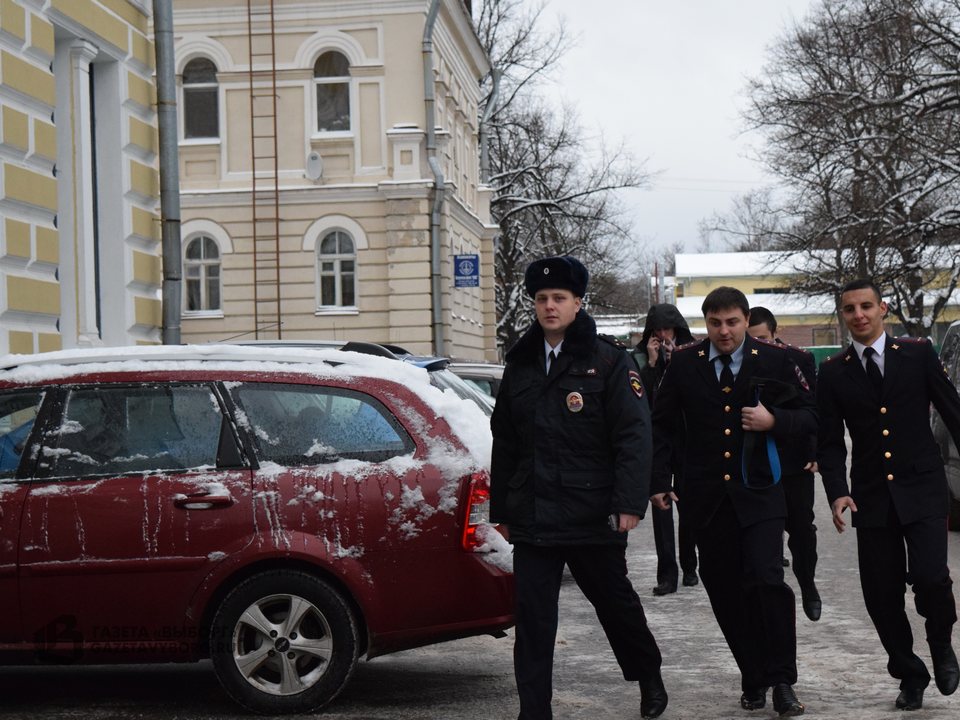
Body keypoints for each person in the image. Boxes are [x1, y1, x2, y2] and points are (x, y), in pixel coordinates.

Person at [490, 256, 668, 720]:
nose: (550, 306)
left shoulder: (608, 361)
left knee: (616, 606)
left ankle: (648, 674)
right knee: (533, 622)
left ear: (577, 303)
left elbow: (634, 435)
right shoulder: (521, 365)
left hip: (593, 513)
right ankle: (534, 711)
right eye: (542, 299)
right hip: (533, 516)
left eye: (559, 298)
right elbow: (505, 441)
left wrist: (629, 502)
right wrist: (502, 511)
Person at [650, 286, 814, 716]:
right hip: (705, 498)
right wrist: (659, 481)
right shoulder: (685, 363)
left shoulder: (777, 360)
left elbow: (811, 417)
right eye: (716, 323)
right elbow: (662, 426)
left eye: (733, 322)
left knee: (766, 580)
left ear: (746, 320)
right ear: (706, 323)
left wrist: (774, 420)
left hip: (760, 492)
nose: (724, 331)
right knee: (724, 590)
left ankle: (782, 680)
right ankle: (752, 675)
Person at [817, 278, 960, 711]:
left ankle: (940, 643)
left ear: (883, 308)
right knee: (881, 594)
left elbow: (953, 411)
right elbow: (827, 441)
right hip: (872, 496)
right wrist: (837, 492)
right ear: (843, 316)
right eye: (849, 309)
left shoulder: (916, 355)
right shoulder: (833, 371)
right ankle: (909, 672)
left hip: (922, 487)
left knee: (933, 577)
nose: (858, 315)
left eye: (866, 306)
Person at [746, 306, 822, 622]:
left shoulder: (798, 360)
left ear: (775, 334)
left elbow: (815, 410)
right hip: (754, 461)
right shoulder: (738, 363)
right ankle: (774, 596)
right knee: (766, 532)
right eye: (752, 340)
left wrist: (815, 453)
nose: (757, 346)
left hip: (794, 458)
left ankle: (807, 580)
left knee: (802, 528)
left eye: (763, 338)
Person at [632, 303, 699, 595]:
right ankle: (666, 574)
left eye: (667, 329)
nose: (663, 335)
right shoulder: (638, 358)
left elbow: (697, 392)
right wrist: (651, 362)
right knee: (661, 505)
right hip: (656, 441)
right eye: (657, 330)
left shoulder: (693, 353)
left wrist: (676, 361)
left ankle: (689, 565)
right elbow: (638, 398)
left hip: (687, 439)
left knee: (688, 504)